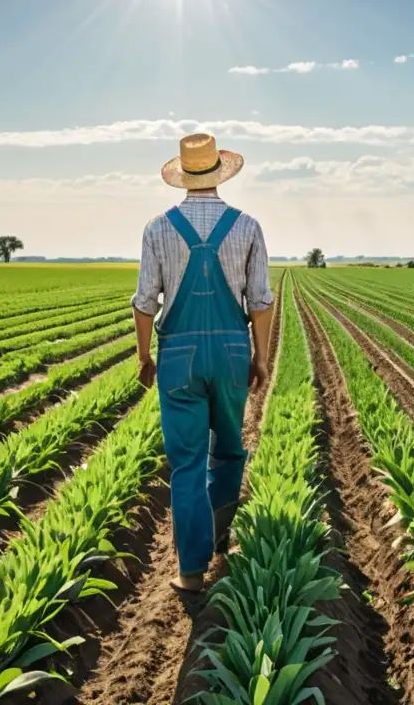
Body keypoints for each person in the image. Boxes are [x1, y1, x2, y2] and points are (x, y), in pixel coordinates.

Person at [131, 132, 274, 593]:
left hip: (179, 357)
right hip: (232, 351)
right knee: (229, 450)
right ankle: (219, 536)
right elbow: (262, 301)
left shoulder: (157, 228)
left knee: (187, 462)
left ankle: (191, 572)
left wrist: (144, 355)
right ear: (219, 173)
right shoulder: (248, 226)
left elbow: (144, 302)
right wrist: (261, 358)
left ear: (183, 177)